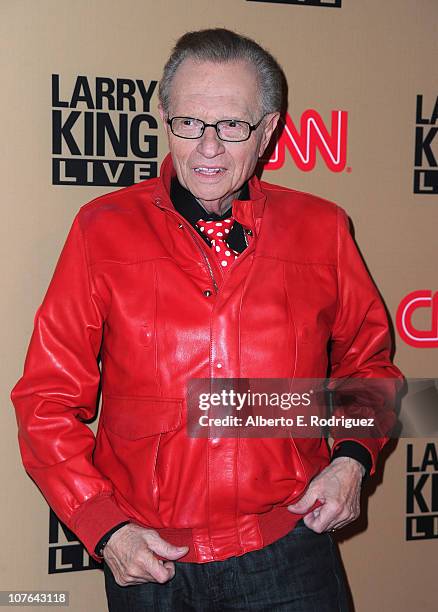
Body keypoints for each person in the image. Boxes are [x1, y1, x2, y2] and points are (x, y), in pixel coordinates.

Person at [11, 28, 403, 611]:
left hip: (290, 548)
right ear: (165, 118)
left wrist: (350, 460)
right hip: (148, 558)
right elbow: (45, 399)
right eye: (190, 123)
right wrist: (104, 525)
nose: (209, 147)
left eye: (233, 126)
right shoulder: (101, 229)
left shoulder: (322, 230)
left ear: (268, 130)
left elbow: (368, 364)